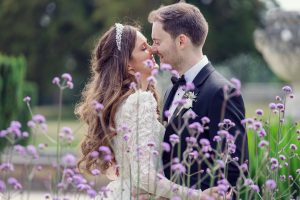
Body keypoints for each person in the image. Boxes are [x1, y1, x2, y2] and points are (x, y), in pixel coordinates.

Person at [75, 23, 223, 199]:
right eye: (144, 48)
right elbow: (144, 176)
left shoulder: (122, 103)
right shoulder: (139, 101)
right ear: (128, 65)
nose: (153, 50)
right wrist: (197, 196)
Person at [148, 2, 249, 194]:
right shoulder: (170, 90)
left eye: (157, 41)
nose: (153, 49)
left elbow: (235, 168)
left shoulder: (222, 92)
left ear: (181, 41)